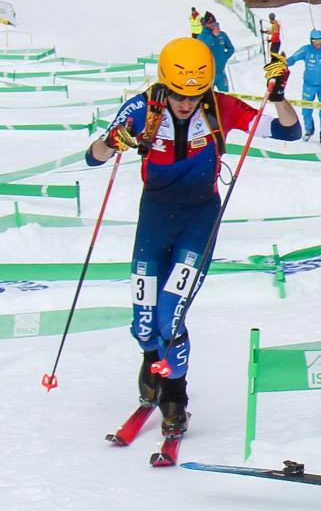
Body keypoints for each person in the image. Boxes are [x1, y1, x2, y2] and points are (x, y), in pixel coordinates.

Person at [85, 38, 300, 437]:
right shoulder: (141, 108)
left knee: (170, 314)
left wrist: (280, 98)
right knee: (144, 323)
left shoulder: (221, 107)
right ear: (165, 84)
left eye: (195, 94)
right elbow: (92, 157)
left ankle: (175, 396)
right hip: (154, 218)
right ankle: (151, 358)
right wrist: (111, 143)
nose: (186, 103)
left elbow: (289, 132)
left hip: (199, 221)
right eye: (179, 94)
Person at [197, 11, 235, 92]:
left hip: (221, 72)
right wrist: (213, 36)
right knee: (209, 98)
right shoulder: (202, 36)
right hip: (208, 74)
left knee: (225, 95)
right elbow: (203, 48)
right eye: (210, 24)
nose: (212, 25)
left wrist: (224, 58)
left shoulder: (222, 35)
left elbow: (231, 49)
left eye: (213, 23)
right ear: (206, 24)